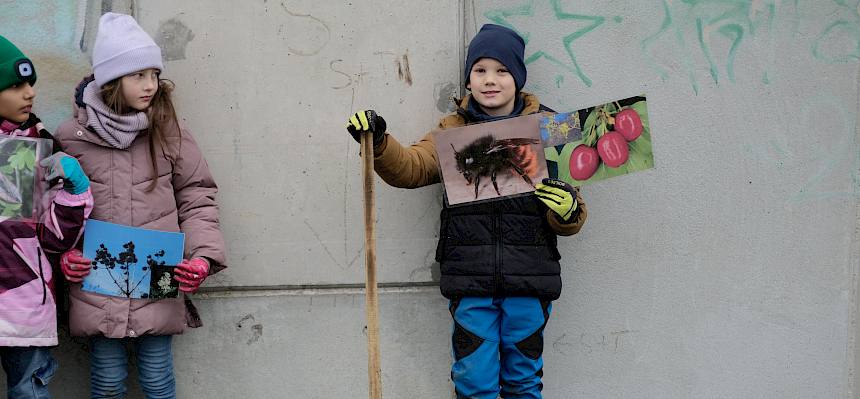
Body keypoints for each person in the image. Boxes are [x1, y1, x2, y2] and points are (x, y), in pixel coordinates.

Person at [346, 24, 587, 398]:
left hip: (530, 279)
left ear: (518, 78)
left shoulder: (550, 129)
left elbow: (573, 206)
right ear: (469, 78)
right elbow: (411, 167)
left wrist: (568, 211)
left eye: (502, 71)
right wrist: (378, 141)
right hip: (470, 282)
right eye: (480, 70)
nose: (490, 80)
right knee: (475, 383)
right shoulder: (452, 130)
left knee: (523, 381)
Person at [53, 13, 226, 399]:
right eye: (137, 75)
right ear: (111, 80)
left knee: (158, 380)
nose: (150, 85)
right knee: (108, 382)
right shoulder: (71, 137)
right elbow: (53, 208)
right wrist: (66, 255)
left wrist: (202, 258)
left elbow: (197, 196)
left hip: (160, 277)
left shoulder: (170, 132)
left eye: (154, 74)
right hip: (97, 285)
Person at [0, 34, 93, 398]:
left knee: (30, 393)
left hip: (24, 303)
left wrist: (75, 192)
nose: (30, 93)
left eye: (30, 84)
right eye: (15, 85)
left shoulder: (33, 147)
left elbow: (53, 238)